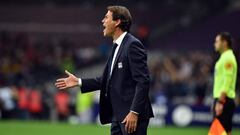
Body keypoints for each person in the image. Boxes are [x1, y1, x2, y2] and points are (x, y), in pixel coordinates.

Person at [55, 5, 154, 135]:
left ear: (117, 22)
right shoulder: (116, 47)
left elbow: (143, 81)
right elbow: (108, 80)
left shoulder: (132, 45)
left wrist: (134, 112)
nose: (103, 21)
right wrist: (79, 82)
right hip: (117, 116)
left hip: (131, 117)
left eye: (106, 17)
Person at [213, 32, 238, 135]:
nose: (215, 44)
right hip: (224, 100)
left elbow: (228, 80)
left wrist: (220, 102)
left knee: (218, 133)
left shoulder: (228, 58)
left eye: (217, 41)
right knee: (226, 132)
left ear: (224, 43)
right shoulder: (225, 57)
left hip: (224, 100)